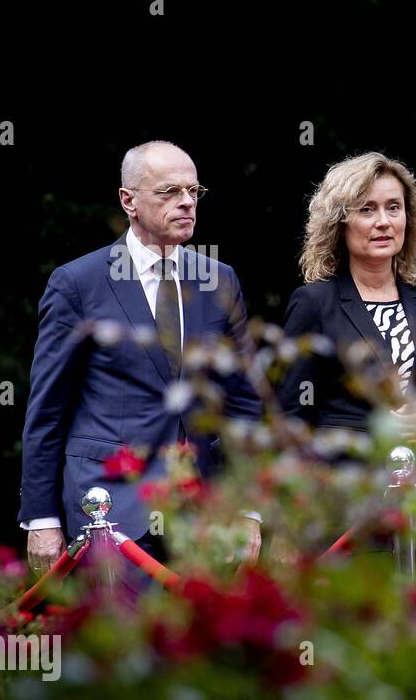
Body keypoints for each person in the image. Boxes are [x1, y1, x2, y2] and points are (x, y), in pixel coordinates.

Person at [18, 140, 263, 574]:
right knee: (121, 644)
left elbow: (244, 402)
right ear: (128, 200)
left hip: (202, 511)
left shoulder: (218, 279)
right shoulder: (78, 283)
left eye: (194, 191)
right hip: (109, 510)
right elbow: (48, 408)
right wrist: (41, 517)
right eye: (169, 192)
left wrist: (249, 510)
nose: (187, 202)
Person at [280, 153, 416, 445]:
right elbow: (290, 416)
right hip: (347, 482)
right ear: (340, 223)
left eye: (393, 207)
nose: (383, 221)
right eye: (367, 210)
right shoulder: (313, 303)